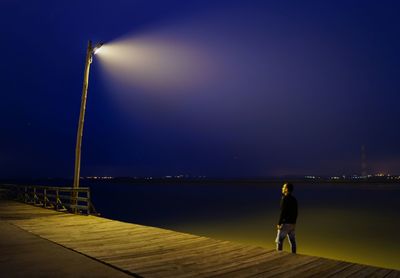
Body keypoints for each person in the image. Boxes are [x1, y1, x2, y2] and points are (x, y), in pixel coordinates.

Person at [276, 183, 298, 253]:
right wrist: (294, 222)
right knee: (293, 242)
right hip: (292, 224)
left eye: (283, 187)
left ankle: (279, 255)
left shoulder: (284, 198)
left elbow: (283, 212)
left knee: (279, 241)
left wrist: (279, 223)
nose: (282, 188)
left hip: (285, 223)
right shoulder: (294, 199)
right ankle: (294, 254)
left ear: (287, 189)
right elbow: (296, 212)